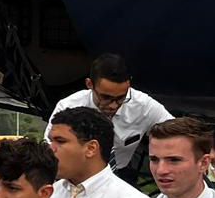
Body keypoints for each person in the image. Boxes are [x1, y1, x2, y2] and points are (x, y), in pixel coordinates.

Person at [46, 54, 173, 183]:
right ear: (89, 84)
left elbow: (178, 133)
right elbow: (49, 150)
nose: (113, 105)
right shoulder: (68, 106)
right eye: (106, 97)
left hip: (120, 175)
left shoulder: (144, 106)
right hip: (74, 176)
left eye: (121, 98)